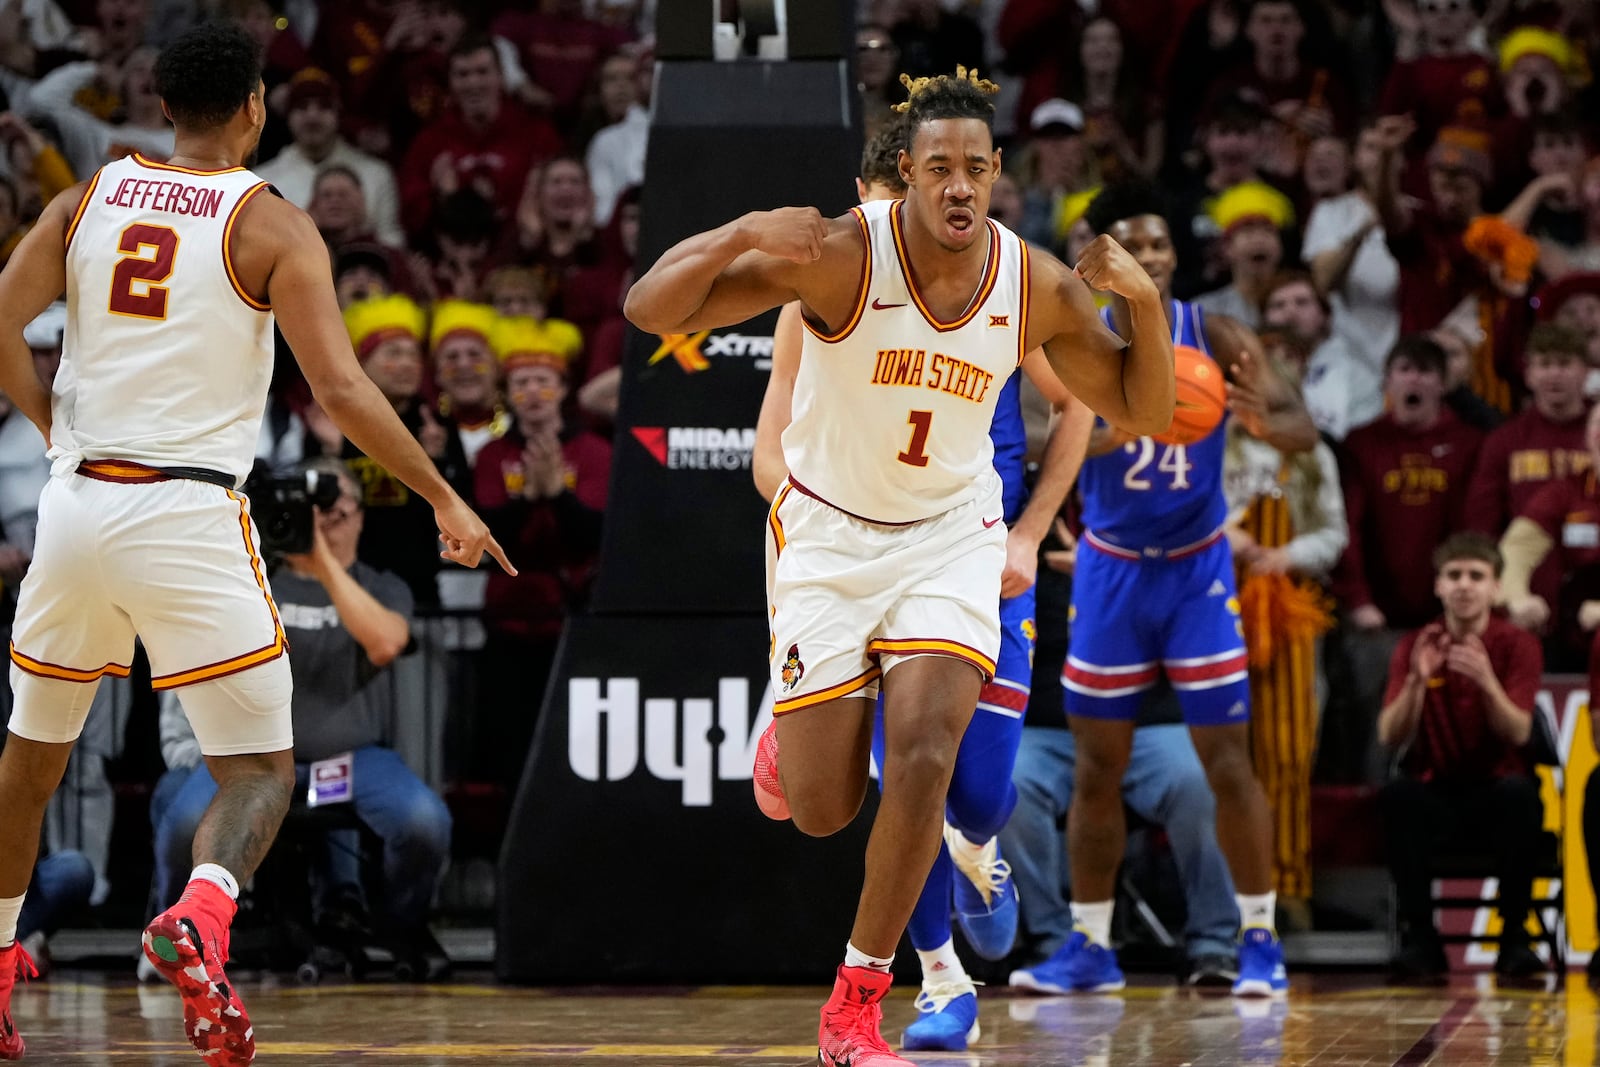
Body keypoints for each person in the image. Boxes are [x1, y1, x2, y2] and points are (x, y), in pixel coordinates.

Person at [625, 67, 1174, 1067]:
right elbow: (650, 309)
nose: (958, 185)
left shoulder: (1033, 281)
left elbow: (1137, 410)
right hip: (832, 541)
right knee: (829, 805)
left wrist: (1137, 304)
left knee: (926, 753)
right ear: (909, 177)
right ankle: (794, 748)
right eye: (938, 169)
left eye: (975, 167)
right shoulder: (839, 255)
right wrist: (738, 230)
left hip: (951, 535)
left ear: (997, 172)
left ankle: (858, 1001)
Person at [0, 23, 508, 1066]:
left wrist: (53, 429)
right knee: (260, 771)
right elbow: (344, 390)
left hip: (77, 509)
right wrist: (444, 497)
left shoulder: (84, 198)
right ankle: (204, 912)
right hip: (188, 512)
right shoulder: (271, 225)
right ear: (256, 108)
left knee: (30, 760)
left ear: (160, 101)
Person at [750, 115, 1095, 1053]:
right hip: (852, 551)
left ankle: (981, 854)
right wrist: (835, 520)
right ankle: (936, 979)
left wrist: (1029, 532)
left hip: (976, 549)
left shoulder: (999, 288)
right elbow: (769, 456)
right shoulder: (822, 295)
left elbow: (1084, 407)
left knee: (974, 796)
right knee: (903, 777)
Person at [1012, 179, 1316, 999]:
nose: (1148, 257)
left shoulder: (1215, 334)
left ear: (1174, 253)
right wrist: (1117, 427)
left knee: (1228, 762)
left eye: (1158, 244)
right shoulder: (1079, 342)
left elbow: (1303, 428)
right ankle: (1090, 946)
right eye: (1131, 245)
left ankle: (1259, 937)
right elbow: (1041, 443)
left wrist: (1258, 420)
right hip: (1110, 571)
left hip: (1195, 570)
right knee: (1094, 771)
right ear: (1104, 257)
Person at [154, 460, 453, 978]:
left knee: (424, 821)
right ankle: (170, 937)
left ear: (361, 518)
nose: (327, 526)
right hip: (254, 762)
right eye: (316, 516)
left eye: (339, 515)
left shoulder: (382, 586)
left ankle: (398, 926)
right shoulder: (255, 578)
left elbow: (386, 642)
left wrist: (322, 563)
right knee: (183, 821)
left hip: (348, 762)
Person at [1378, 533, 1544, 980]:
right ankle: (1422, 941)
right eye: (1454, 575)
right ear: (1438, 586)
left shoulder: (1517, 644)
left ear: (1494, 588)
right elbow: (1389, 736)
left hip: (1497, 788)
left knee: (1520, 797)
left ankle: (1513, 939)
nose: (1464, 585)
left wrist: (1488, 682)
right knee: (1398, 798)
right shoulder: (1417, 642)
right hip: (1438, 789)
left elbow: (1519, 730)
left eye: (1476, 576)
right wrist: (1416, 681)